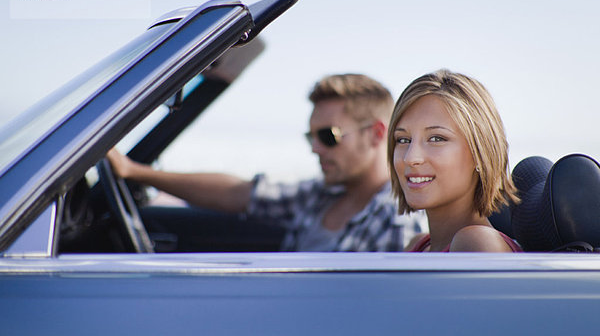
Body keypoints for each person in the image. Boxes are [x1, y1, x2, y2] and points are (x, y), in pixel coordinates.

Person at [107, 73, 427, 251]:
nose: (316, 148)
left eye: (328, 136)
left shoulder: (397, 221)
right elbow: (237, 193)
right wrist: (134, 171)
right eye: (311, 137)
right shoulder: (319, 196)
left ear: (376, 134)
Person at [387, 69, 522, 252]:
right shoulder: (418, 245)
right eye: (403, 140)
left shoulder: (476, 243)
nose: (410, 158)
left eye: (436, 139)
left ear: (480, 152)